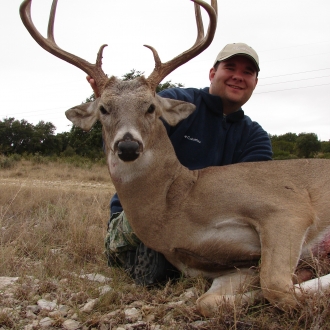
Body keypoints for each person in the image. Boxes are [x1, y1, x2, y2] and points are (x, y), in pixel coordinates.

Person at [87, 42, 273, 286]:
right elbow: (125, 145)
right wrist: (111, 108)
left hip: (207, 219)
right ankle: (141, 253)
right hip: (144, 214)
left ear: (255, 82)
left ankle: (183, 259)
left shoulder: (255, 137)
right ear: (212, 73)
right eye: (230, 67)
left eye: (248, 72)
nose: (238, 77)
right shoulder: (173, 101)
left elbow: (250, 194)